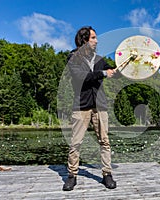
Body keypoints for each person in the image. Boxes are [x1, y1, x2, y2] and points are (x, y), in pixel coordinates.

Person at [63, 26, 117, 191]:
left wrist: (127, 66)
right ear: (84, 40)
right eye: (93, 38)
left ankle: (107, 174)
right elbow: (81, 77)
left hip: (100, 106)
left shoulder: (99, 59)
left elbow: (113, 72)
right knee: (76, 143)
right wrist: (103, 73)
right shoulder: (73, 58)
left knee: (105, 142)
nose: (96, 41)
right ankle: (72, 176)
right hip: (81, 106)